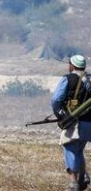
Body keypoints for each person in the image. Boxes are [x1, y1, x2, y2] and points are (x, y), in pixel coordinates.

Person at [52, 55, 91, 191]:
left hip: (74, 122)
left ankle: (73, 182)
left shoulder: (68, 79)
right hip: (88, 123)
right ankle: (83, 178)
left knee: (70, 148)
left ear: (72, 66)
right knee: (79, 149)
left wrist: (61, 115)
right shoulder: (90, 79)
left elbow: (56, 99)